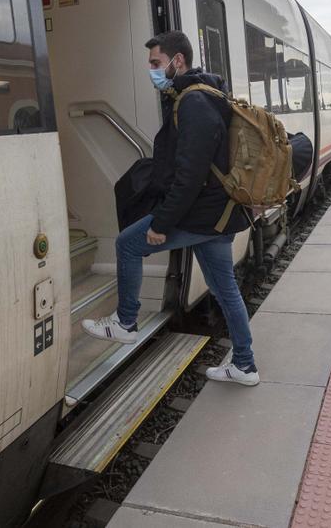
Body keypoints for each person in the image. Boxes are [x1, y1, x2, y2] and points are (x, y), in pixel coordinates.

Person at [82, 31, 259, 386]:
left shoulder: (193, 103)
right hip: (217, 213)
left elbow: (190, 175)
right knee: (224, 287)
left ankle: (125, 323)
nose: (152, 71)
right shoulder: (206, 95)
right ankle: (245, 365)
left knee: (128, 244)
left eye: (155, 63)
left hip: (202, 213)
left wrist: (162, 222)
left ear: (178, 61)